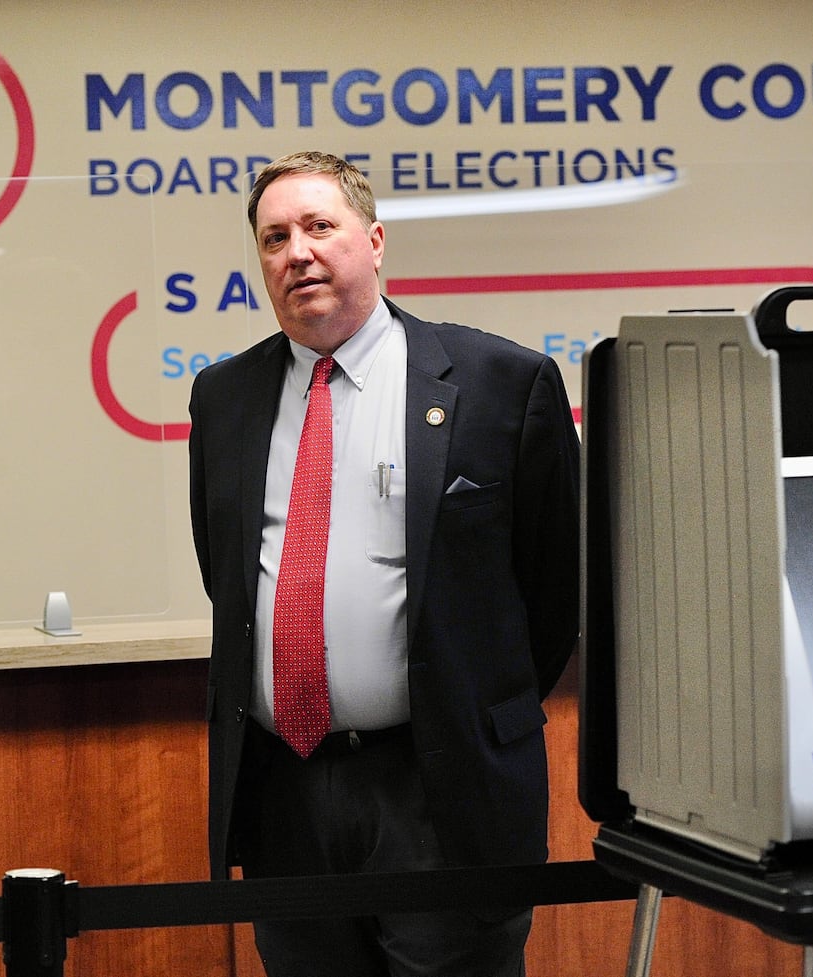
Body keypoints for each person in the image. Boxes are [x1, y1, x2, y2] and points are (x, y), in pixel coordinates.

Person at [188, 151, 580, 975]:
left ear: (374, 240)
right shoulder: (224, 398)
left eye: (320, 227)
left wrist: (464, 707)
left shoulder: (501, 384)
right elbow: (227, 577)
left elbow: (554, 592)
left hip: (441, 791)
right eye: (274, 237)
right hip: (285, 790)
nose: (297, 252)